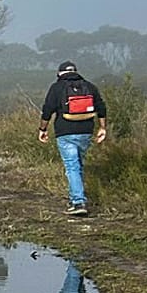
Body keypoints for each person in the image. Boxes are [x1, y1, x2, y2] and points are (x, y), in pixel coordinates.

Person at [37, 60, 108, 217]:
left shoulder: (57, 87)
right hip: (86, 131)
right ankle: (75, 197)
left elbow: (47, 109)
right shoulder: (89, 86)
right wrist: (102, 128)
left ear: (60, 73)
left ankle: (78, 202)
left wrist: (43, 129)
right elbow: (101, 107)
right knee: (78, 165)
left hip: (65, 131)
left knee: (72, 166)